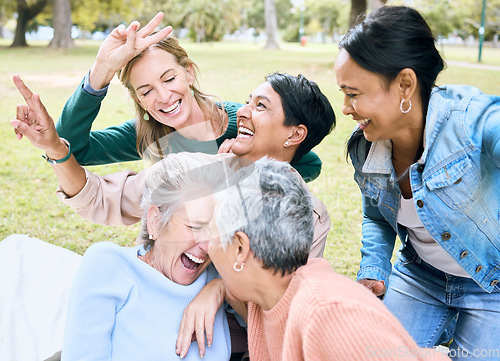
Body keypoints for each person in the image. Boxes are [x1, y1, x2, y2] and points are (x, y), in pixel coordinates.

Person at [10, 71, 335, 358]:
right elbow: (99, 198)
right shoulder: (196, 170)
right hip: (138, 322)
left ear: (294, 135)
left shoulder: (309, 218)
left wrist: (220, 289)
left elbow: (280, 312)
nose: (244, 112)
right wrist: (56, 149)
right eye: (249, 101)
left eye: (260, 106)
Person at [334, 5, 500, 359]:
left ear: (405, 84)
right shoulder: (367, 148)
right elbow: (377, 218)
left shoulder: (470, 119)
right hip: (421, 274)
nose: (346, 108)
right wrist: (374, 270)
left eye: (353, 93)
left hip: (493, 286)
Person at [205, 157, 450, 361]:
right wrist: (217, 288)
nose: (206, 245)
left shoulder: (327, 314)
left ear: (240, 248)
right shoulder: (268, 295)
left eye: (211, 232)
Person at [49, 12, 322, 181]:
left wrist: (242, 170)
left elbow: (310, 163)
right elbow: (71, 146)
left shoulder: (242, 124)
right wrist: (100, 71)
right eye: (146, 91)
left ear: (189, 73)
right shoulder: (148, 135)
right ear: (138, 100)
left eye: (169, 78)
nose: (164, 96)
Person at [63, 152, 232, 360]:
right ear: (154, 221)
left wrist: (221, 289)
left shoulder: (220, 276)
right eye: (195, 227)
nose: (207, 245)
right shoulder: (109, 265)